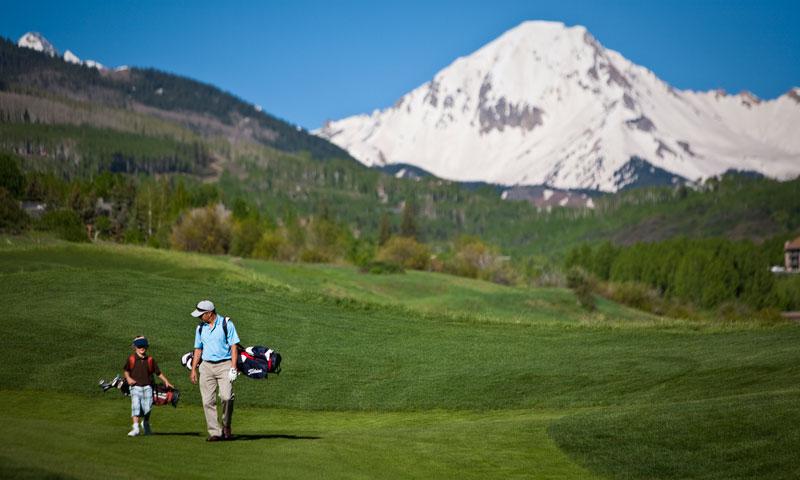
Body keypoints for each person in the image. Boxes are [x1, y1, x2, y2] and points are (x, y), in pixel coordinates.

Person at [189, 299, 240, 441]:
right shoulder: (200, 328)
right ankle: (215, 432)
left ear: (209, 313)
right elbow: (198, 349)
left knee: (227, 397)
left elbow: (234, 347)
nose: (199, 317)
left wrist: (233, 368)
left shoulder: (226, 324)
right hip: (206, 367)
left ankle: (226, 425)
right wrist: (193, 369)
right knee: (207, 401)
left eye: (201, 314)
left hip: (225, 365)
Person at [123, 336, 173, 437]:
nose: (142, 348)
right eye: (140, 346)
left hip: (148, 387)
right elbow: (126, 371)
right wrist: (128, 378)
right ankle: (136, 427)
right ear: (135, 347)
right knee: (136, 405)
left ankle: (145, 423)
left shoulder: (150, 360)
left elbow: (158, 373)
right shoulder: (131, 359)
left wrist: (166, 381)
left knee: (148, 407)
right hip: (135, 387)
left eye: (144, 346)